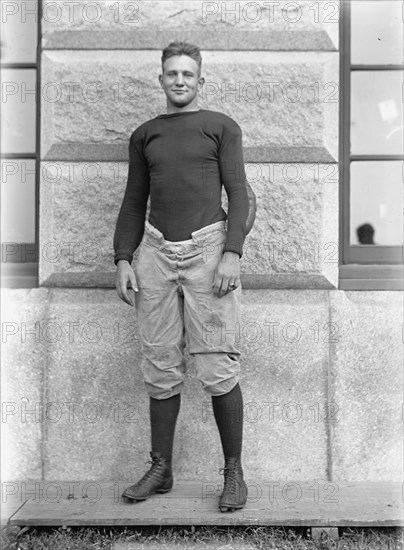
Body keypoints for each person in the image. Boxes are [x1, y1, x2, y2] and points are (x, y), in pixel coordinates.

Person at [113, 41, 254, 512]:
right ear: (161, 79)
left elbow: (240, 194)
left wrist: (231, 254)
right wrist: (122, 258)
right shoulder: (145, 135)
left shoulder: (220, 127)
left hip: (208, 251)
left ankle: (233, 472)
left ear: (200, 80)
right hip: (154, 253)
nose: (179, 80)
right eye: (171, 73)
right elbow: (134, 201)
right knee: (160, 365)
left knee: (216, 366)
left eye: (187, 74)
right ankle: (162, 468)